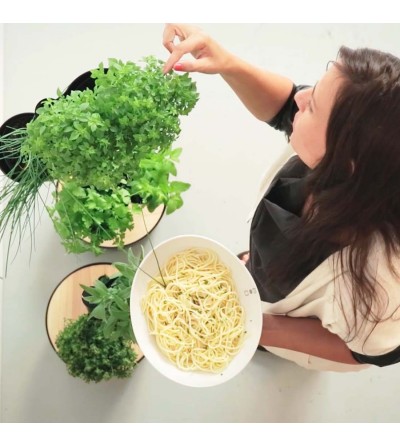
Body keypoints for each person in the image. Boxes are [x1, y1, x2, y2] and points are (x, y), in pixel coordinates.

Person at [162, 24, 400, 372]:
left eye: (314, 106)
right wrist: (226, 62)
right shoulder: (360, 158)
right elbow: (287, 103)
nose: (301, 98)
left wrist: (253, 324)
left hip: (284, 323)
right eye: (315, 88)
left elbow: (364, 352)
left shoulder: (383, 289)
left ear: (346, 165)